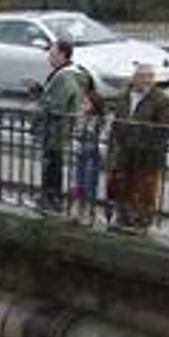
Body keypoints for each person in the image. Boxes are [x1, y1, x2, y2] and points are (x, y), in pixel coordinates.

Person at [105, 63, 169, 231]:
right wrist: (113, 147)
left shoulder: (161, 100)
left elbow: (165, 129)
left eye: (149, 78)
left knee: (145, 189)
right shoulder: (124, 96)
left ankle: (141, 222)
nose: (146, 81)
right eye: (142, 77)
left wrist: (146, 139)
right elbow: (116, 123)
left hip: (147, 154)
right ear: (134, 78)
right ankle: (122, 218)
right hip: (124, 150)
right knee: (123, 186)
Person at [33, 39, 82, 214]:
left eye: (52, 54)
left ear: (63, 55)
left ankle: (51, 200)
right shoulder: (64, 73)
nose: (49, 57)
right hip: (58, 129)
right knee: (52, 164)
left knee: (52, 165)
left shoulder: (65, 75)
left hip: (56, 129)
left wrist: (41, 98)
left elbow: (56, 105)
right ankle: (49, 198)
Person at [71, 74, 107, 224]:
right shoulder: (80, 118)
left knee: (89, 184)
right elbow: (75, 134)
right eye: (82, 103)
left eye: (85, 103)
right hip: (80, 153)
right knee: (77, 182)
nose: (82, 106)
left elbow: (104, 139)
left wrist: (100, 151)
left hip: (93, 155)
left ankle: (88, 212)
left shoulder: (99, 121)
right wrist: (75, 145)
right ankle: (76, 210)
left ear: (94, 105)